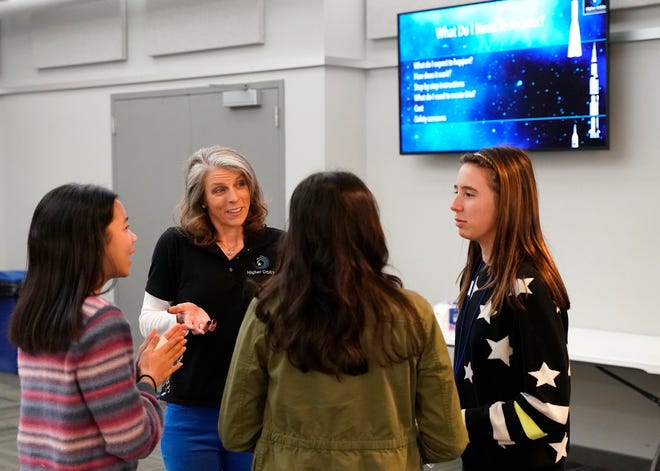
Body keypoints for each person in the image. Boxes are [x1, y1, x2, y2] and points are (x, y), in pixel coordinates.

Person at [219, 171, 468, 470]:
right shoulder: (414, 313)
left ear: (298, 235)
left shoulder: (268, 310)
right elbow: (447, 441)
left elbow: (235, 431)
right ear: (370, 229)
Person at [9, 183, 187, 471]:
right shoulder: (102, 321)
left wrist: (134, 373)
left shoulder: (37, 311)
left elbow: (76, 406)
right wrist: (150, 379)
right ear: (92, 241)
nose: (133, 238)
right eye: (125, 228)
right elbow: (134, 440)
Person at [139, 146, 283, 471]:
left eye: (241, 185)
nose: (234, 198)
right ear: (201, 199)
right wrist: (182, 317)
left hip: (259, 409)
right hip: (190, 411)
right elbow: (147, 319)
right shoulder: (176, 244)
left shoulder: (278, 245)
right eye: (219, 189)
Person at [450, 146, 571, 470]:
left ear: (507, 204)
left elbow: (547, 412)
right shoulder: (482, 272)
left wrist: (455, 422)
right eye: (456, 191)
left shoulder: (527, 288)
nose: (455, 205)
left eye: (470, 194)